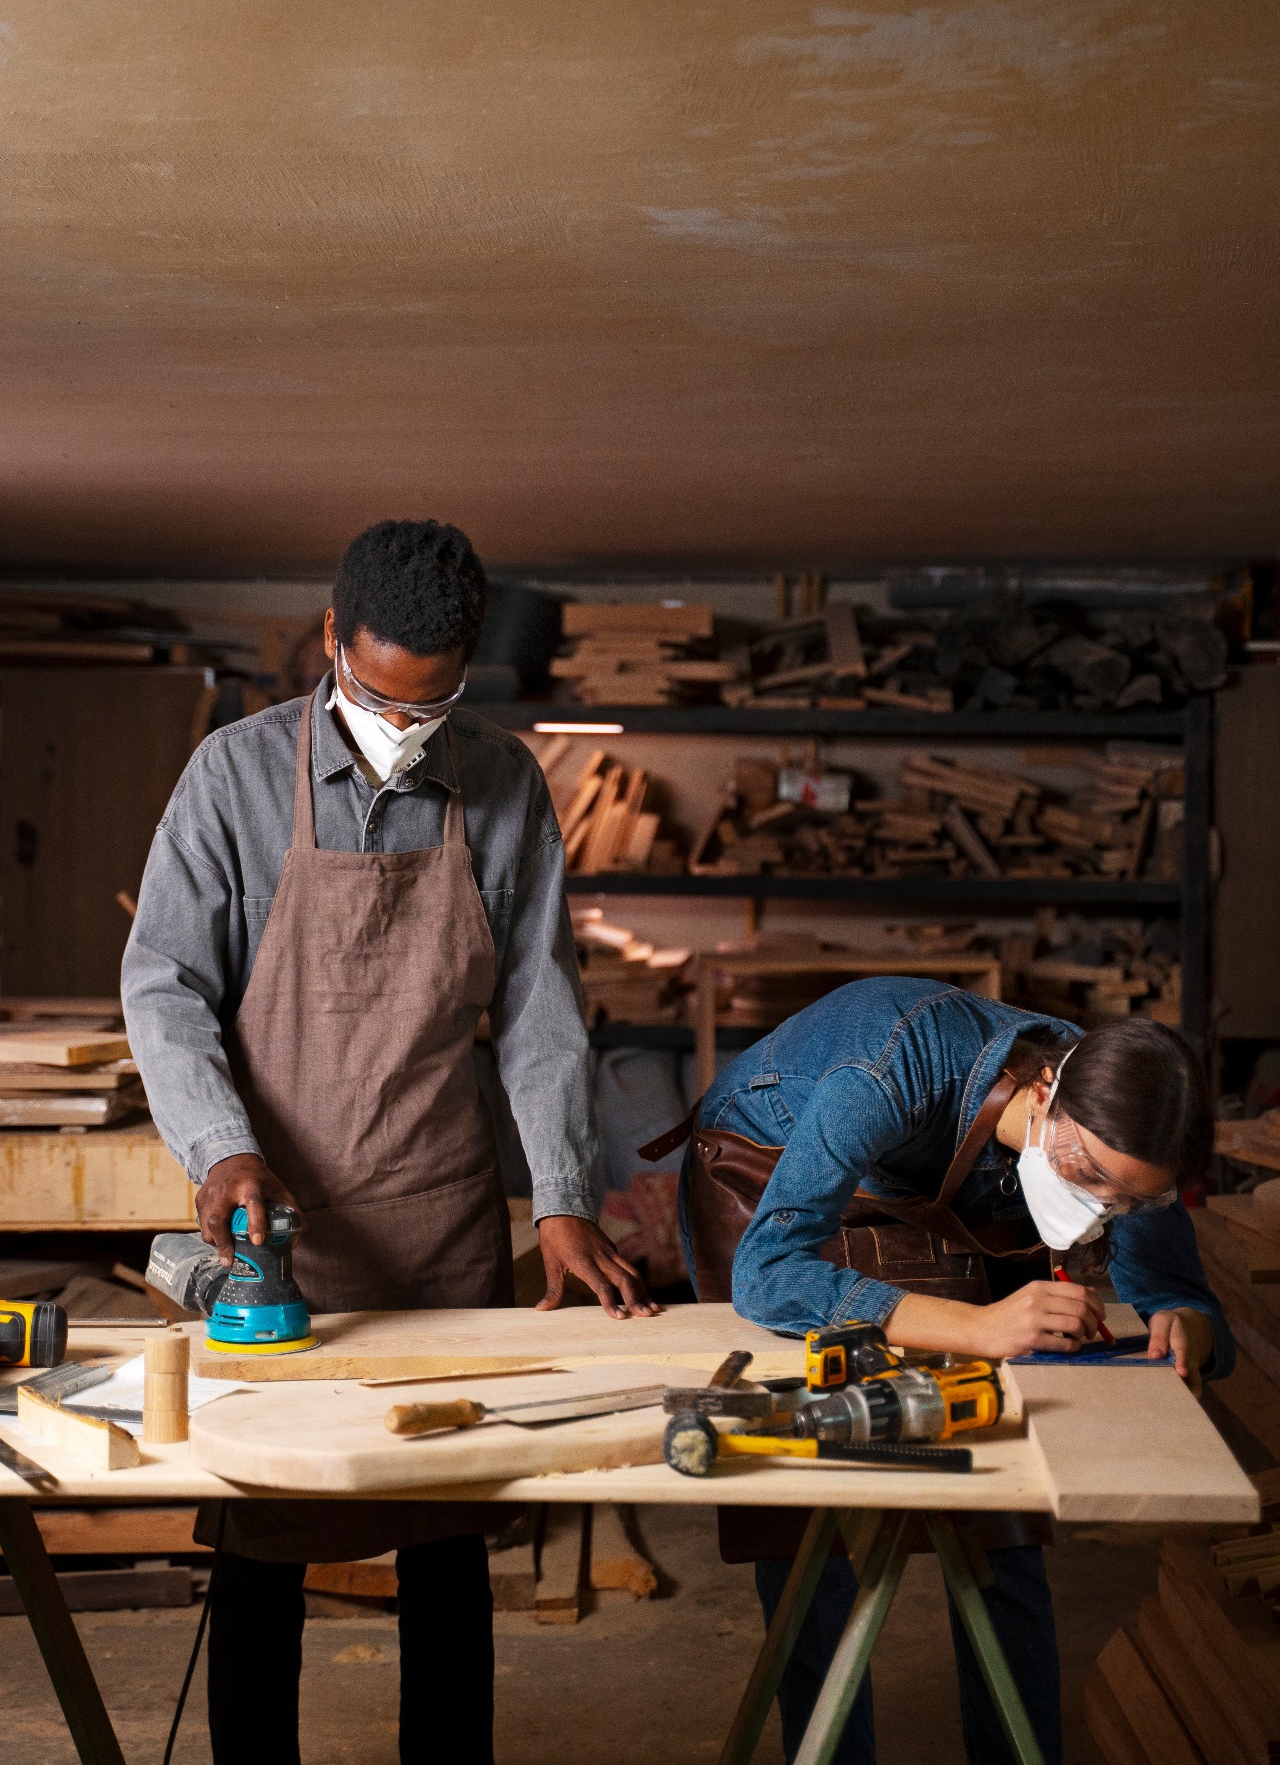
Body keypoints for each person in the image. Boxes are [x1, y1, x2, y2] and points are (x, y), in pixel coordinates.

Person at [122, 518, 657, 1765]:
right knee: (263, 1542)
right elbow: (162, 986)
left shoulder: (507, 784)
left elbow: (535, 1006)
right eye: (375, 694)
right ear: (331, 642)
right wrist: (220, 1149)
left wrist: (565, 1199)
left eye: (434, 701)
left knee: (443, 1550)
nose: (401, 726)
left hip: (440, 1208)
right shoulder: (233, 778)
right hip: (273, 1221)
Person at [677, 976, 1229, 1765]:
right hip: (768, 1177)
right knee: (809, 1506)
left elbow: (1181, 1296)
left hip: (927, 1185)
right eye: (1086, 1171)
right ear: (1046, 1092)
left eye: (1128, 1199)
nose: (1100, 1203)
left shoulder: (1124, 1112)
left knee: (1005, 1504)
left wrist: (1190, 1329)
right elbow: (769, 1274)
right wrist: (979, 1326)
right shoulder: (887, 1069)